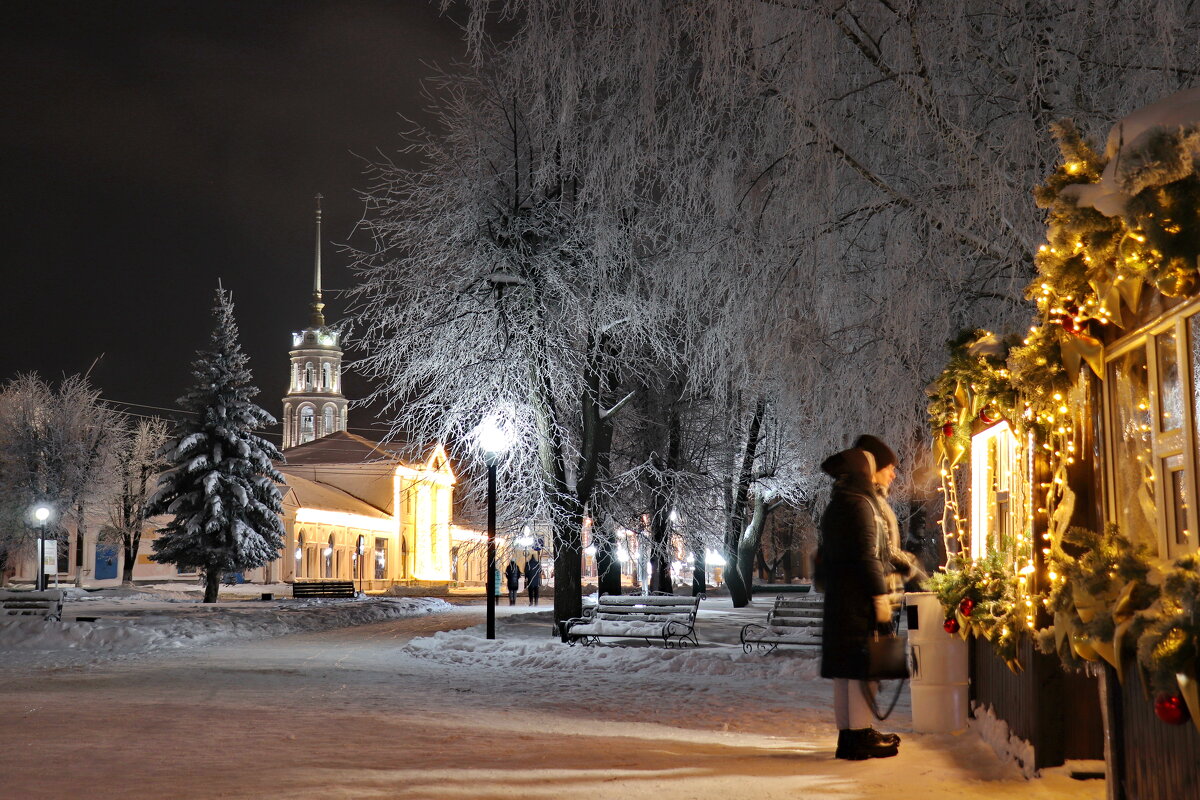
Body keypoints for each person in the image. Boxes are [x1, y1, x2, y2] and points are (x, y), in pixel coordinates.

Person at [817, 446, 903, 760]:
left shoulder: (837, 504)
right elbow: (868, 558)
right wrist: (879, 596)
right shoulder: (861, 504)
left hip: (840, 599)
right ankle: (858, 735)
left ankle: (849, 734)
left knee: (845, 672)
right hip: (858, 601)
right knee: (858, 671)